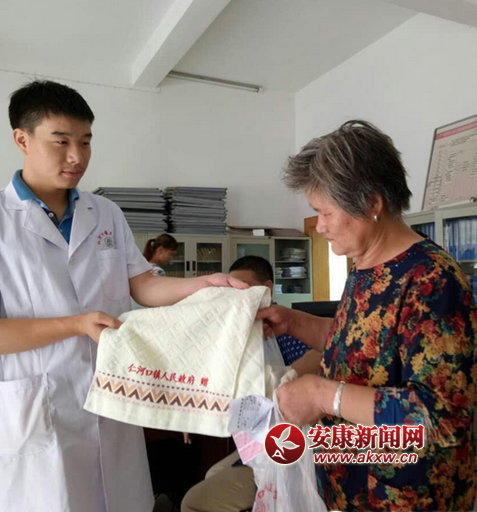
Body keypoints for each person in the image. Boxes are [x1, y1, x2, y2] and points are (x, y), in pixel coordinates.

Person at [0, 80, 247, 512]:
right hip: (39, 411)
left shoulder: (105, 213)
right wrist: (75, 325)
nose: (77, 157)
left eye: (86, 142)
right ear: (22, 139)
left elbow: (144, 285)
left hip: (113, 399)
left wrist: (201, 285)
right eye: (61, 142)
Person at [258, 120, 477, 511]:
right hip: (348, 485)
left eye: (325, 213)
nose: (320, 227)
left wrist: (322, 395)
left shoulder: (432, 281)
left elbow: (440, 419)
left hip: (405, 496)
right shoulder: (364, 266)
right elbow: (360, 342)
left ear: (373, 204)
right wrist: (293, 323)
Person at [181, 255, 320, 512]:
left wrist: (289, 377)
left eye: (245, 288)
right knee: (213, 472)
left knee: (194, 501)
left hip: (289, 447)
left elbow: (321, 356)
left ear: (267, 289)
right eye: (232, 290)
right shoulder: (237, 334)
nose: (238, 297)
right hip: (256, 444)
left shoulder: (286, 329)